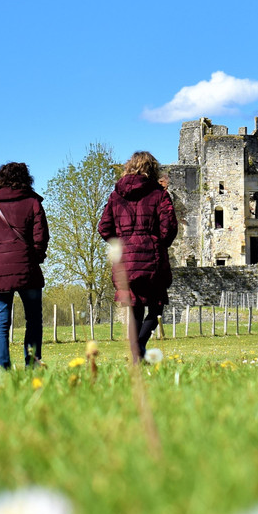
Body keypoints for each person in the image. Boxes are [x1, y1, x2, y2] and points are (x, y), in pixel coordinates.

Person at [98, 151, 177, 361]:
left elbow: (104, 227)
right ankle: (139, 348)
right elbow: (169, 228)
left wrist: (122, 243)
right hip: (153, 258)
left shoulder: (116, 196)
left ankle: (137, 355)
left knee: (134, 307)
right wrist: (156, 243)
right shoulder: (159, 195)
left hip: (125, 260)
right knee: (156, 306)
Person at [0, 162, 49, 369]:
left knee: (1, 322)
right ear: (26, 180)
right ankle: (32, 367)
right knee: (33, 320)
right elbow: (41, 236)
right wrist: (35, 257)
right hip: (27, 269)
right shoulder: (33, 204)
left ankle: (2, 369)